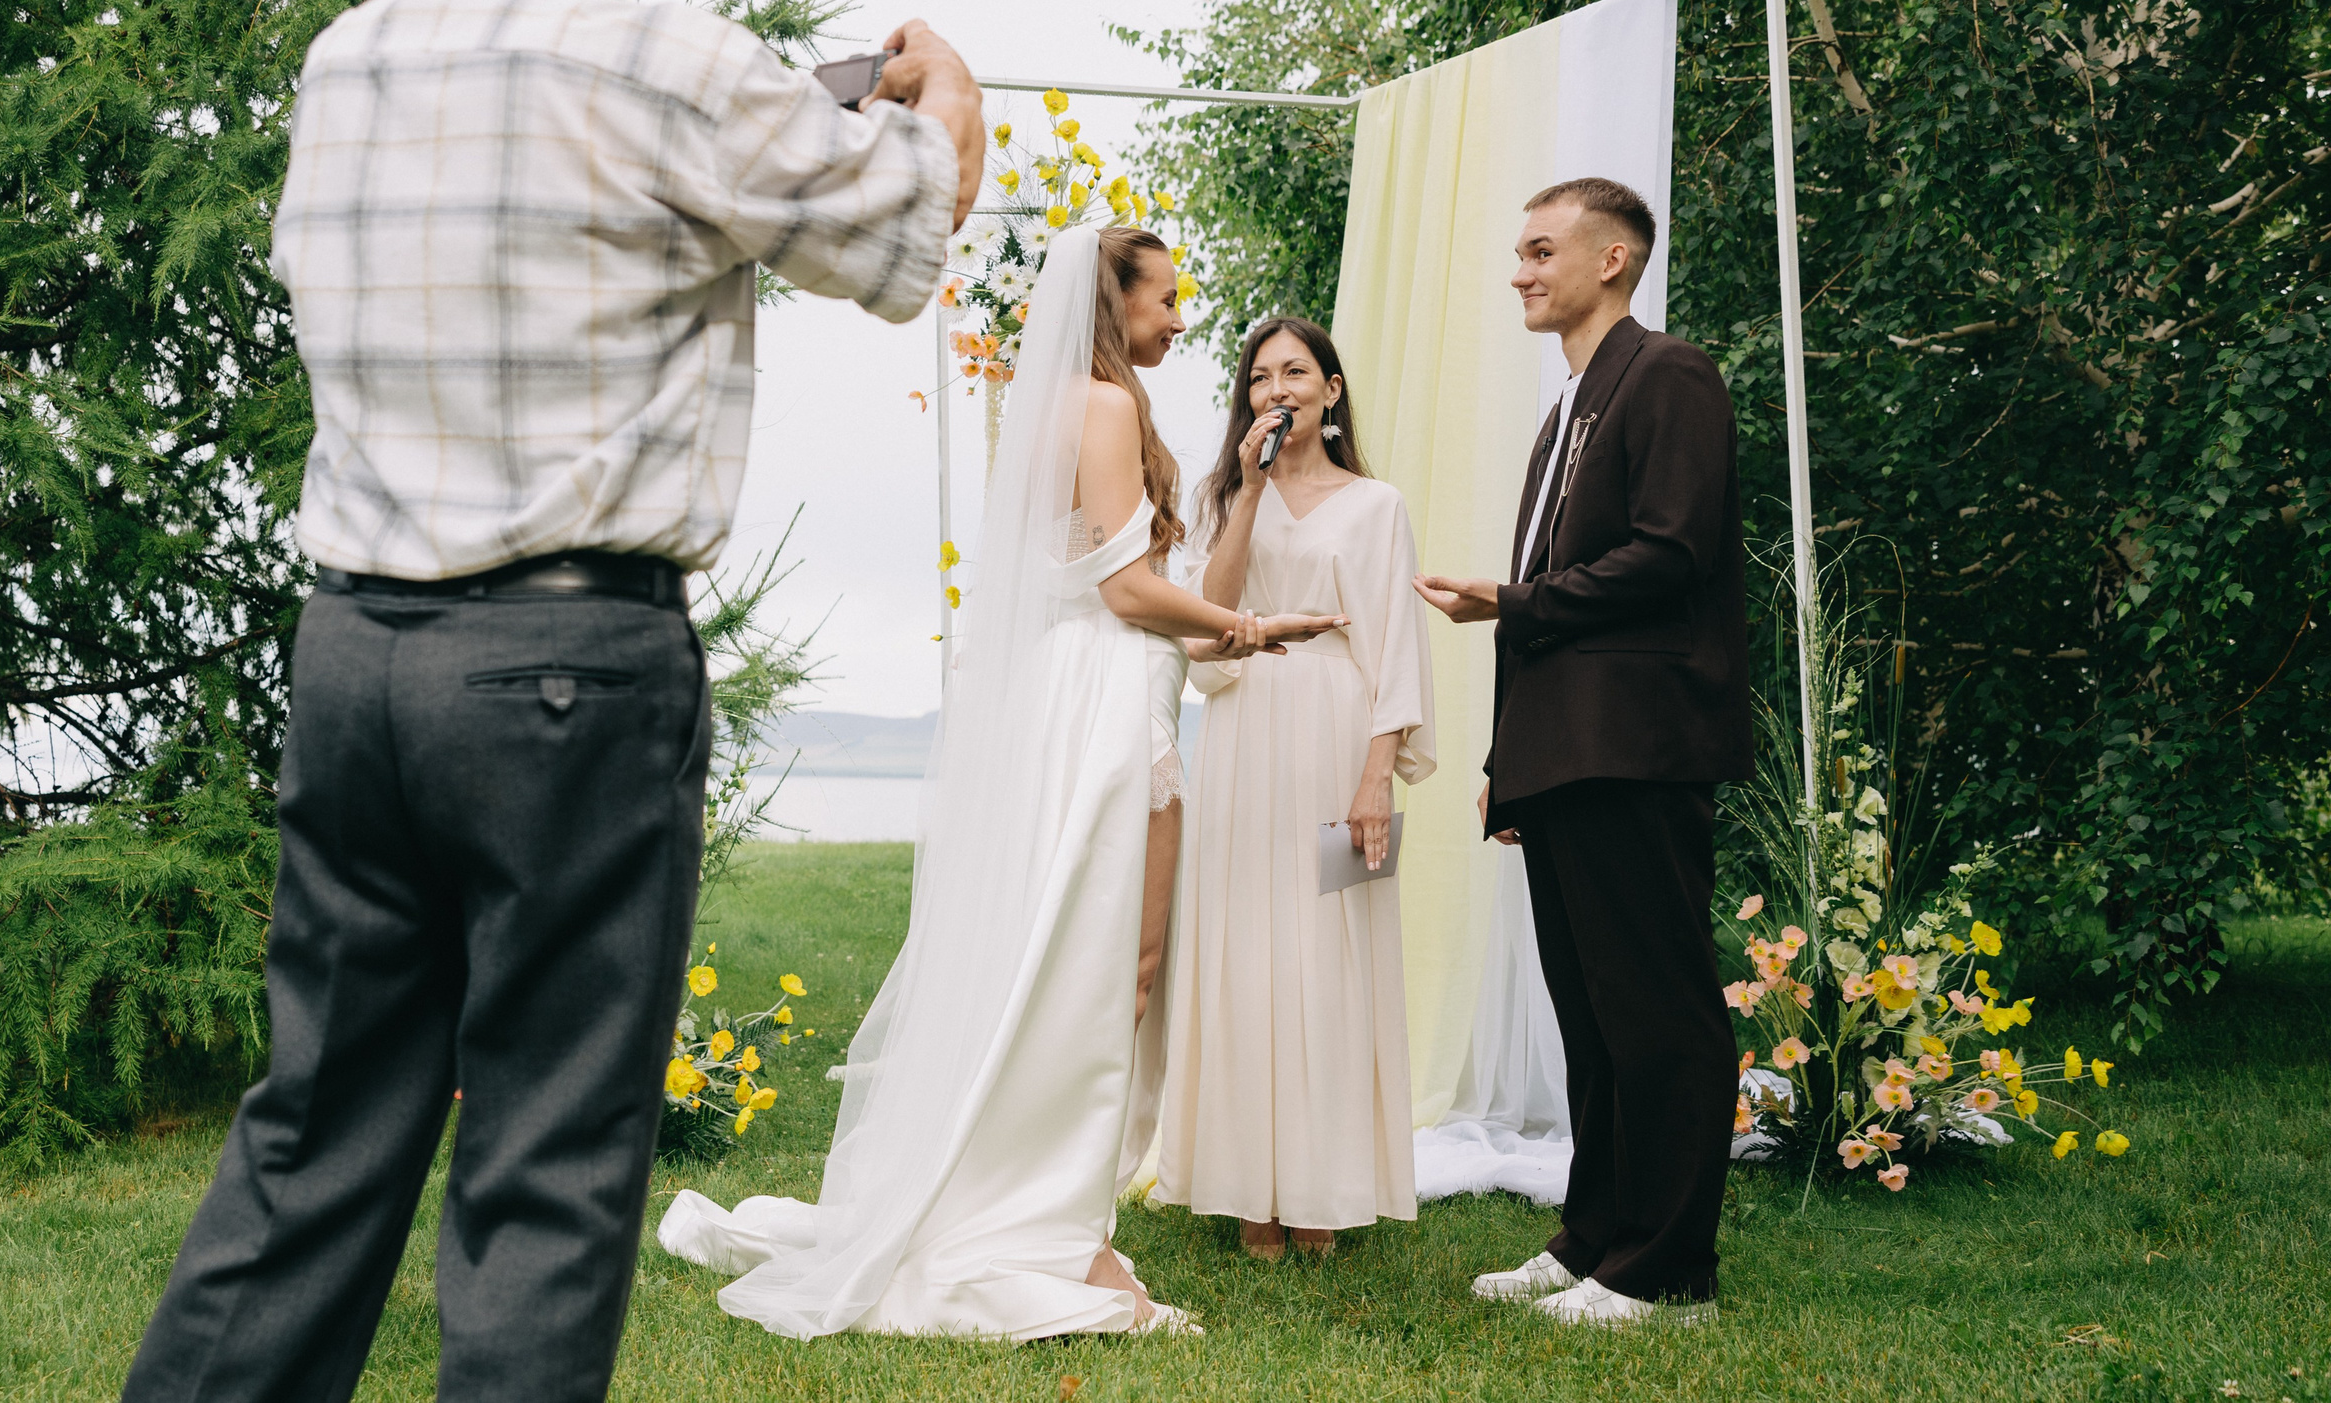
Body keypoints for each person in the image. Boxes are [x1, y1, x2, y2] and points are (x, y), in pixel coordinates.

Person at [118, 0, 985, 1398]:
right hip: (567, 670)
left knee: (311, 1136)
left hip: (356, 654)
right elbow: (892, 236)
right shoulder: (664, 62)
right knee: (547, 1160)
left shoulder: (344, 60)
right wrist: (942, 108)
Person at [656, 228, 1343, 1339]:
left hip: (1090, 692)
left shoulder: (1069, 405)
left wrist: (1219, 633)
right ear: (1111, 304)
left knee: (1070, 961)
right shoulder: (1107, 406)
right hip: (1110, 701)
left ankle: (1037, 1200)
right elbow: (1125, 589)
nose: (1178, 319)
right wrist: (1252, 627)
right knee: (1114, 967)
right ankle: (1052, 1228)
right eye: (1165, 299)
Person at [1413, 176, 1752, 1328]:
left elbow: (1671, 555)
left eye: (1538, 248)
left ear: (1611, 259)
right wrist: (1510, 769)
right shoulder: (1566, 411)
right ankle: (1596, 1237)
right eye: (1517, 251)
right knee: (1592, 1015)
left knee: (1659, 1009)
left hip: (1640, 745)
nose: (1519, 269)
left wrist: (1510, 598)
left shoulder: (1672, 377)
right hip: (1566, 755)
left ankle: (1667, 1271)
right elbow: (1549, 608)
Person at [1150, 317, 1435, 1261]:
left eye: (1297, 372)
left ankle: (1322, 1188)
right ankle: (1249, 1193)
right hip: (1243, 742)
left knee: (1331, 954)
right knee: (1244, 951)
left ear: (1332, 389)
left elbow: (1395, 645)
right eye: (1262, 375)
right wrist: (1247, 490)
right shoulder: (1232, 496)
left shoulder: (1378, 503)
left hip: (1336, 740)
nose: (1279, 387)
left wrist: (1374, 780)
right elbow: (1207, 623)